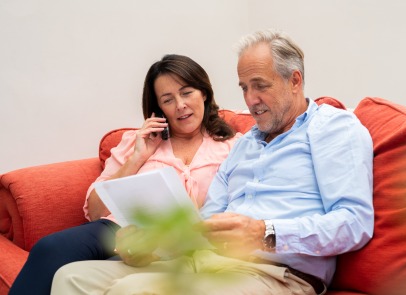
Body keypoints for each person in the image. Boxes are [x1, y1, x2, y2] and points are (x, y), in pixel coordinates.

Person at [51, 29, 374, 295]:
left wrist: (266, 232)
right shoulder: (245, 144)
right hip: (208, 261)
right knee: (71, 278)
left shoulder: (333, 128)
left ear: (294, 80)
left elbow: (355, 223)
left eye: (260, 85)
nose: (250, 100)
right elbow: (205, 222)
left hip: (277, 273)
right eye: (244, 88)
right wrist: (153, 246)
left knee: (133, 291)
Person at [8, 54, 240, 295]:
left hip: (180, 242)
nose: (180, 105)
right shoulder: (136, 142)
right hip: (119, 228)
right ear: (159, 108)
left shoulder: (234, 147)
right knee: (50, 247)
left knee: (108, 278)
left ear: (204, 92)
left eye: (187, 92)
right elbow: (95, 210)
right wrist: (137, 157)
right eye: (168, 99)